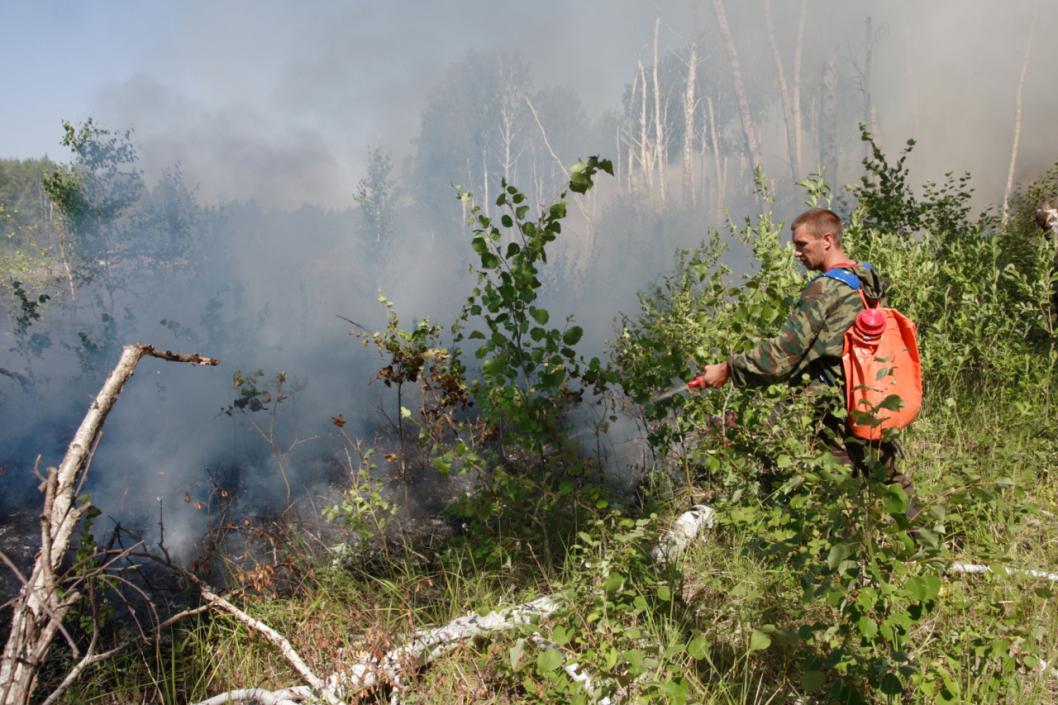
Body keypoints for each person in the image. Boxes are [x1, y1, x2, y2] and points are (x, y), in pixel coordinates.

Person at [694, 208, 912, 499]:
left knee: (837, 486)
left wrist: (728, 369)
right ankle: (923, 537)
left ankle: (847, 541)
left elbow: (784, 354)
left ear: (827, 240)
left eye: (802, 245)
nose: (796, 253)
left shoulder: (825, 288)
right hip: (870, 393)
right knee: (886, 475)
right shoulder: (865, 277)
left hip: (836, 404)